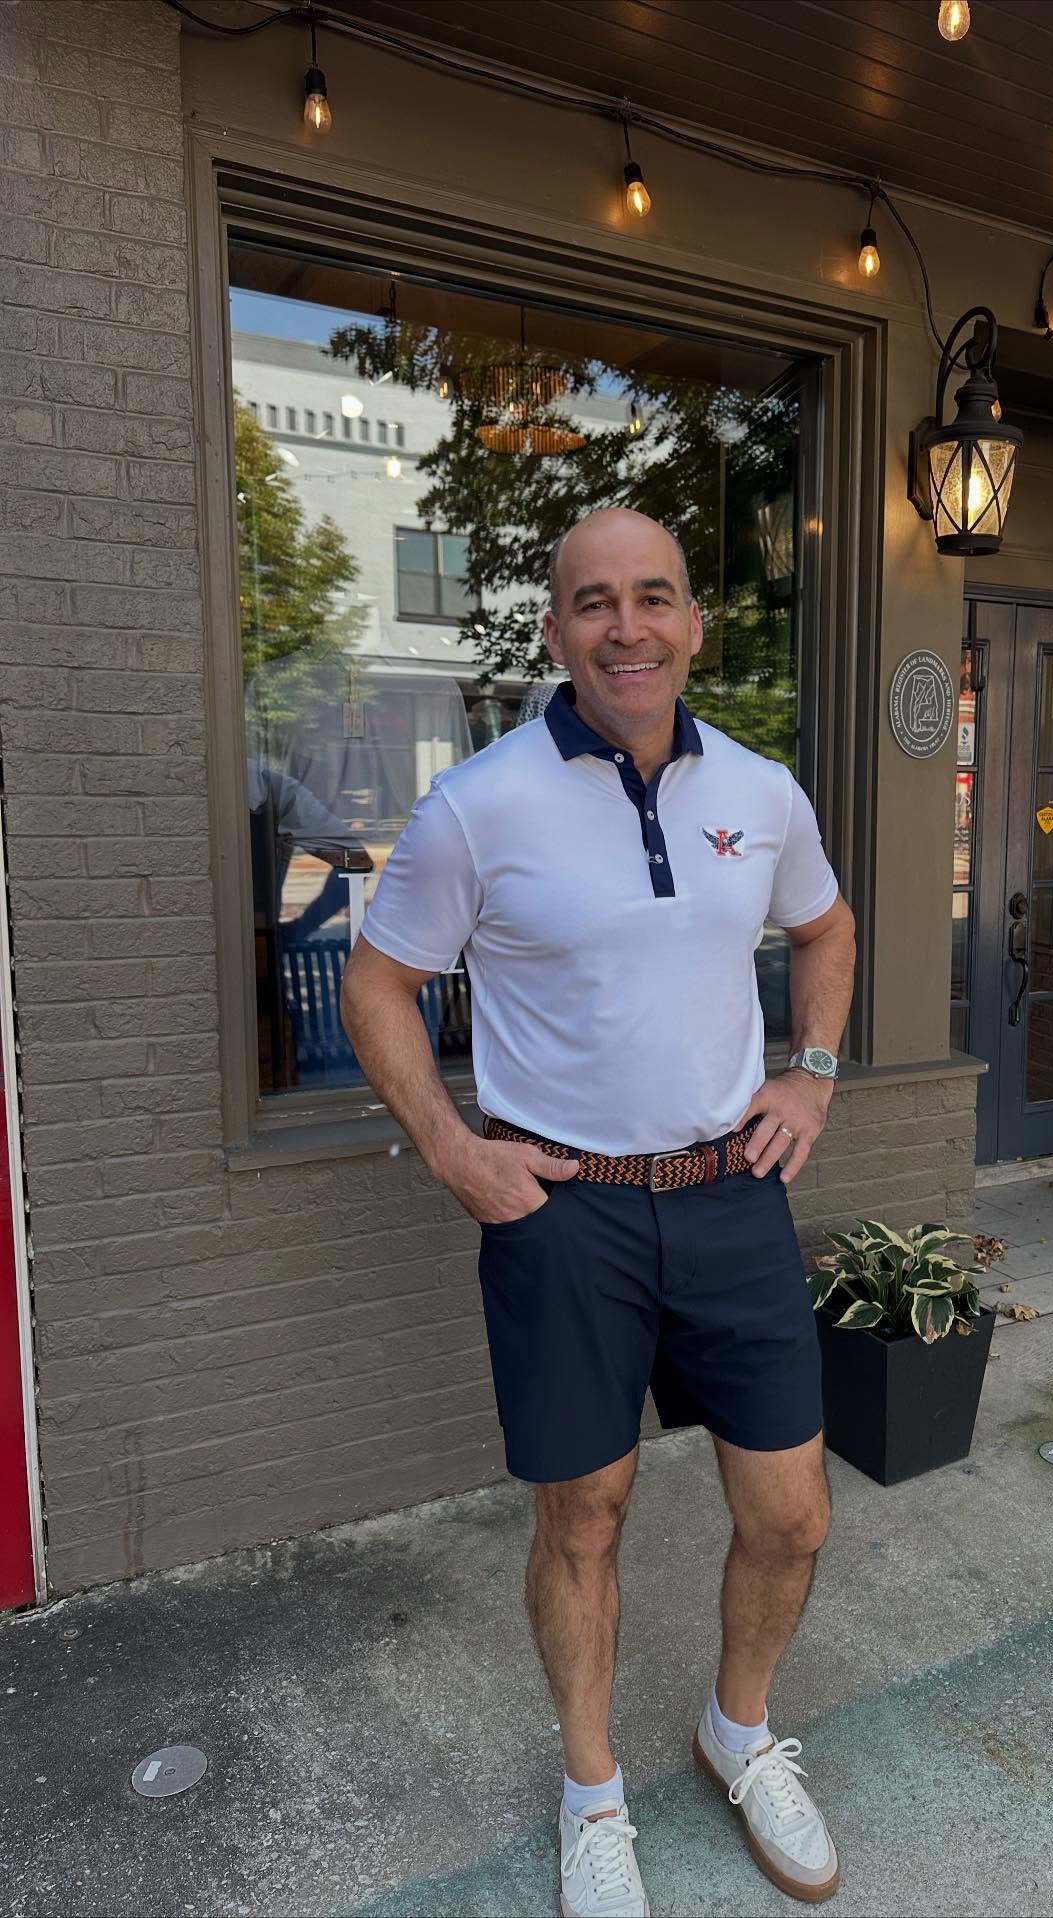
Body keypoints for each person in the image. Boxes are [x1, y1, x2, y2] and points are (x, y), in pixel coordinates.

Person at [340, 507, 856, 1916]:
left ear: (694, 622)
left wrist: (810, 1076)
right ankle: (593, 1792)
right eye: (594, 602)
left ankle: (738, 1732)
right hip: (566, 1211)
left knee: (794, 1515)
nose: (627, 626)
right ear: (556, 631)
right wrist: (452, 1149)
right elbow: (379, 985)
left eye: (654, 596)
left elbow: (824, 925)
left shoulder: (761, 790)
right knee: (584, 1516)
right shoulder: (480, 805)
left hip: (731, 1193)